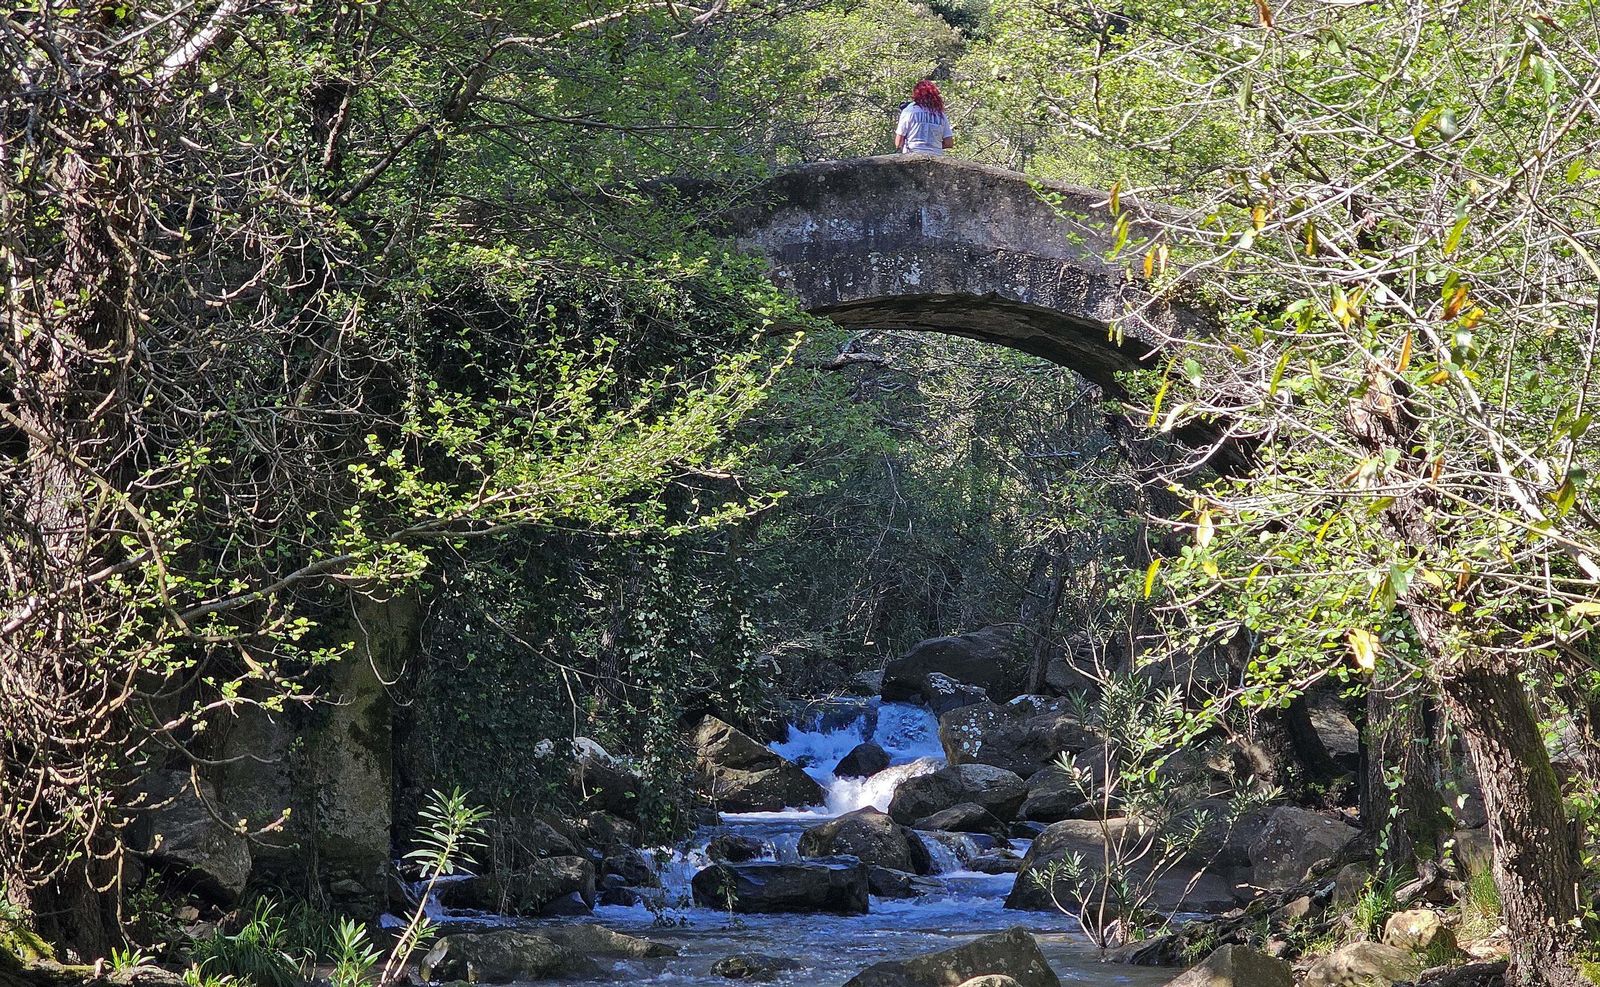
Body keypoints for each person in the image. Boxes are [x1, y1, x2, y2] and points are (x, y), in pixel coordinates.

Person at [895, 80, 955, 155]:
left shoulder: (909, 111)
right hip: (936, 157)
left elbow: (898, 142)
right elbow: (949, 143)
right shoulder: (941, 115)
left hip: (912, 155)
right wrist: (934, 146)